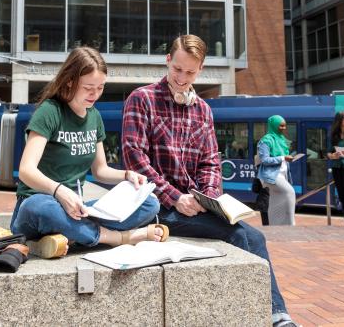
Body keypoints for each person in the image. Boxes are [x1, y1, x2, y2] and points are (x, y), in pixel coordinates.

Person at [122, 35, 298, 327]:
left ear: (200, 70)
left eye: (189, 72)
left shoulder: (203, 109)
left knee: (251, 235)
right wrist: (176, 198)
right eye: (177, 69)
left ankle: (271, 314)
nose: (181, 78)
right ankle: (278, 317)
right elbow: (134, 159)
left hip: (196, 204)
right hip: (159, 207)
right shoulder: (141, 99)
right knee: (249, 237)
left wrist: (209, 196)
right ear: (168, 60)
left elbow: (211, 162)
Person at [9, 47, 167, 259]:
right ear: (69, 81)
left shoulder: (94, 117)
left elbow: (101, 170)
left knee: (150, 203)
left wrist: (127, 175)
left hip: (77, 210)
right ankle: (119, 238)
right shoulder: (50, 111)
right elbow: (26, 170)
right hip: (39, 206)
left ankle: (67, 238)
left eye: (101, 87)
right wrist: (59, 191)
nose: (95, 94)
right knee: (41, 207)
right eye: (89, 88)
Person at [256, 115, 296, 226]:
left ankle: (274, 226)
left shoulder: (281, 140)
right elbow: (265, 160)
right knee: (290, 192)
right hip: (272, 176)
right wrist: (283, 158)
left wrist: (289, 158)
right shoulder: (266, 141)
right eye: (281, 126)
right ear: (274, 125)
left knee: (275, 201)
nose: (283, 128)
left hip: (282, 175)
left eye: (284, 126)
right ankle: (291, 224)